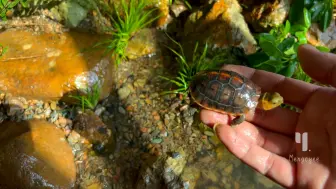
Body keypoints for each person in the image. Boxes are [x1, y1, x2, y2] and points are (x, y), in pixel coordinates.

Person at [200, 44, 336, 189]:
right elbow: (239, 117)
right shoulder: (245, 108)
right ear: (265, 101)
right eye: (273, 102)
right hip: (207, 88)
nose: (279, 103)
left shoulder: (253, 88)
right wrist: (234, 123)